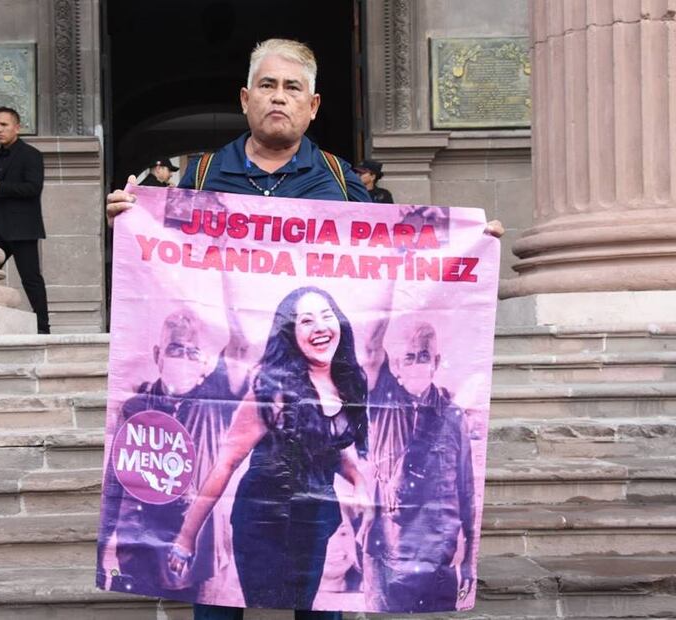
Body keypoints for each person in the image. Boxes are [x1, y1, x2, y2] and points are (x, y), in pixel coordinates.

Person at [105, 37, 504, 620]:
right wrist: (131, 217)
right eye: (267, 86)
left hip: (315, 506)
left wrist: (467, 248)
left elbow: (389, 268)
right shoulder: (197, 176)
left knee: (322, 610)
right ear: (245, 99)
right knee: (219, 604)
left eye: (293, 88)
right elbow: (167, 266)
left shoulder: (341, 184)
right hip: (255, 489)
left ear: (313, 107)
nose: (279, 98)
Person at [169, 286, 373, 615]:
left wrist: (358, 481)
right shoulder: (272, 392)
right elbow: (225, 464)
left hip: (315, 518)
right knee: (226, 603)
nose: (319, 326)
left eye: (326, 316)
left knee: (319, 606)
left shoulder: (348, 382)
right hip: (263, 521)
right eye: (305, 321)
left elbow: (333, 446)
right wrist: (185, 539)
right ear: (291, 334)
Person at [98, 300, 252, 600]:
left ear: (205, 361)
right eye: (175, 349)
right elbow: (115, 482)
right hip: (141, 548)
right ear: (158, 355)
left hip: (201, 555)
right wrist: (105, 546)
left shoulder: (215, 400)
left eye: (192, 352)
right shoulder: (136, 407)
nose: (183, 358)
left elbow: (240, 344)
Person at [363, 321, 476, 613]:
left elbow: (467, 493)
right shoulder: (380, 404)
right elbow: (370, 345)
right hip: (387, 551)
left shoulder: (452, 417)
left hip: (437, 553)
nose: (416, 364)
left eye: (423, 356)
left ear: (436, 361)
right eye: (408, 357)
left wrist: (470, 560)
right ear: (396, 364)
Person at [0, 106, 50, 334]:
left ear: (17, 128)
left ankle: (43, 327)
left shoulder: (31, 155)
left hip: (22, 228)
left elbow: (33, 188)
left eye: (4, 125)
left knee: (31, 279)